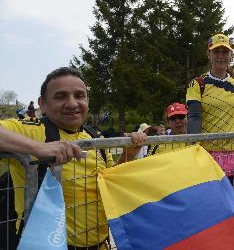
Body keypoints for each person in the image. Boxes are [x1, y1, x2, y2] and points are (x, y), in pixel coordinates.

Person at [0, 67, 146, 249]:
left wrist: (128, 154)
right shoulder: (33, 130)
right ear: (42, 104)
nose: (72, 103)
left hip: (101, 244)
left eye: (79, 95)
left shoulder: (94, 137)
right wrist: (38, 147)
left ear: (87, 101)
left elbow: (106, 182)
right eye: (60, 97)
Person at [187, 34, 234, 196]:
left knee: (233, 201)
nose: (220, 56)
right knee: (211, 205)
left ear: (230, 55)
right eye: (216, 51)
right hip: (209, 156)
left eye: (224, 52)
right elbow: (194, 117)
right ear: (209, 54)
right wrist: (193, 146)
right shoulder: (197, 84)